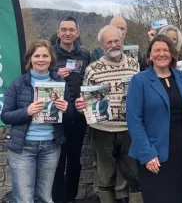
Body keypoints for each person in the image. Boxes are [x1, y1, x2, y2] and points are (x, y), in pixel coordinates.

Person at [75, 25, 142, 203]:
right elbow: (85, 100)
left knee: (135, 176)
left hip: (130, 129)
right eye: (109, 42)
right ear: (101, 45)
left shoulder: (134, 64)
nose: (113, 44)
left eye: (116, 40)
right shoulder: (92, 69)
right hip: (102, 129)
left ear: (122, 41)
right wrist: (81, 105)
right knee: (105, 177)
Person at [126, 35, 182, 203]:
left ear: (172, 54)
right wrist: (147, 154)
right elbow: (134, 120)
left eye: (166, 50)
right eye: (156, 50)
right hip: (154, 153)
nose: (161, 54)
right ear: (150, 55)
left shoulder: (181, 77)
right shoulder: (139, 80)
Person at [1, 40, 70, 203]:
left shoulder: (59, 83)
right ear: (30, 59)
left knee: (45, 197)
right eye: (36, 55)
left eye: (45, 56)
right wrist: (27, 111)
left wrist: (67, 109)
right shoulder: (18, 83)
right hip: (23, 147)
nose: (41, 59)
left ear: (51, 59)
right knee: (24, 198)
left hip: (51, 146)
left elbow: (71, 116)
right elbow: (5, 115)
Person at [52, 16, 91, 203]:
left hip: (78, 116)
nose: (68, 33)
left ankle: (71, 198)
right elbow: (36, 78)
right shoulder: (49, 54)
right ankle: (57, 198)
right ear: (58, 32)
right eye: (64, 29)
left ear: (77, 33)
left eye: (71, 30)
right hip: (55, 116)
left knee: (75, 161)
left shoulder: (85, 55)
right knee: (57, 162)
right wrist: (54, 75)